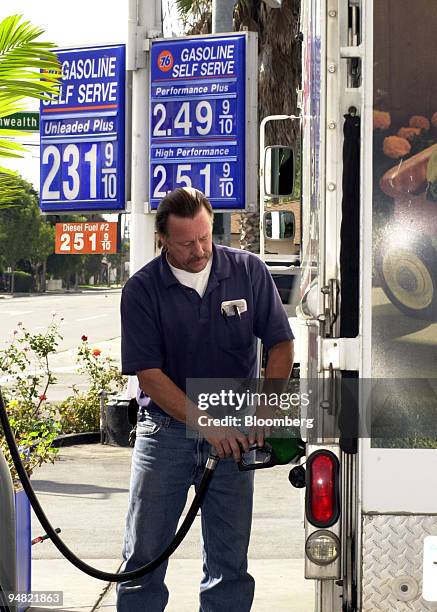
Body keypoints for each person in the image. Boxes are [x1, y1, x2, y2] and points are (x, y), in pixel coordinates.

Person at [116, 187, 294, 611]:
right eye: (185, 243)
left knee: (229, 565)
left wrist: (264, 411)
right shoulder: (141, 290)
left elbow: (281, 344)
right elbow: (150, 376)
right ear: (162, 239)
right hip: (166, 434)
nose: (199, 251)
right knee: (144, 559)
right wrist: (208, 426)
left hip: (236, 433)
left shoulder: (248, 270)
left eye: (204, 238)